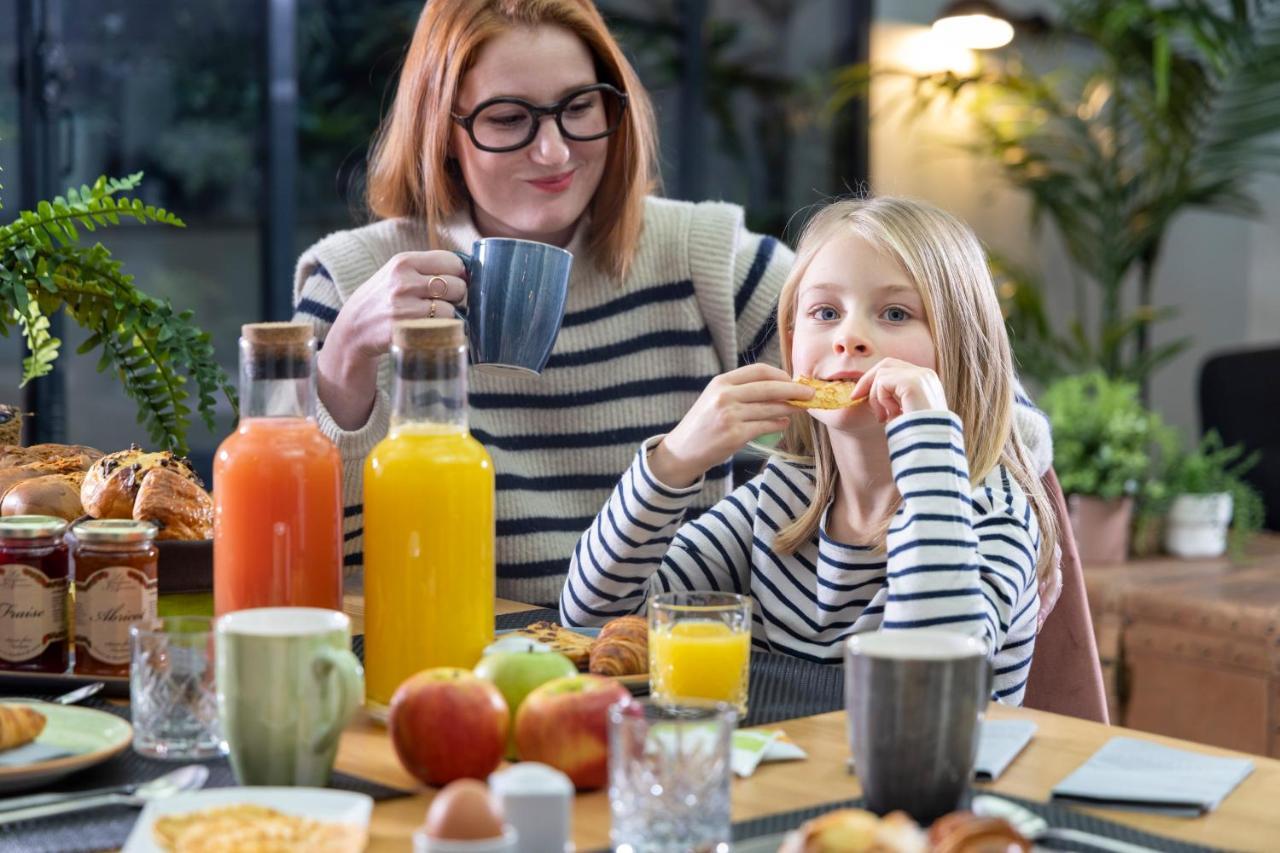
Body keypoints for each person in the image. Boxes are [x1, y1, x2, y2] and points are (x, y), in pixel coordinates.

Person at [291, 0, 791, 605]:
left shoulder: (711, 259)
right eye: (508, 119)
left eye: (579, 107)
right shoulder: (350, 281)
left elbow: (859, 430)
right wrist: (345, 362)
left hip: (672, 666)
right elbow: (310, 559)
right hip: (450, 664)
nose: (554, 152)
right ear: (442, 131)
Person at [561, 196, 1060, 705]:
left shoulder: (990, 512)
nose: (849, 338)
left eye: (894, 313)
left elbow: (930, 691)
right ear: (793, 339)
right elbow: (592, 620)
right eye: (825, 312)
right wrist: (671, 462)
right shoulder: (784, 499)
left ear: (961, 345)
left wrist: (929, 443)